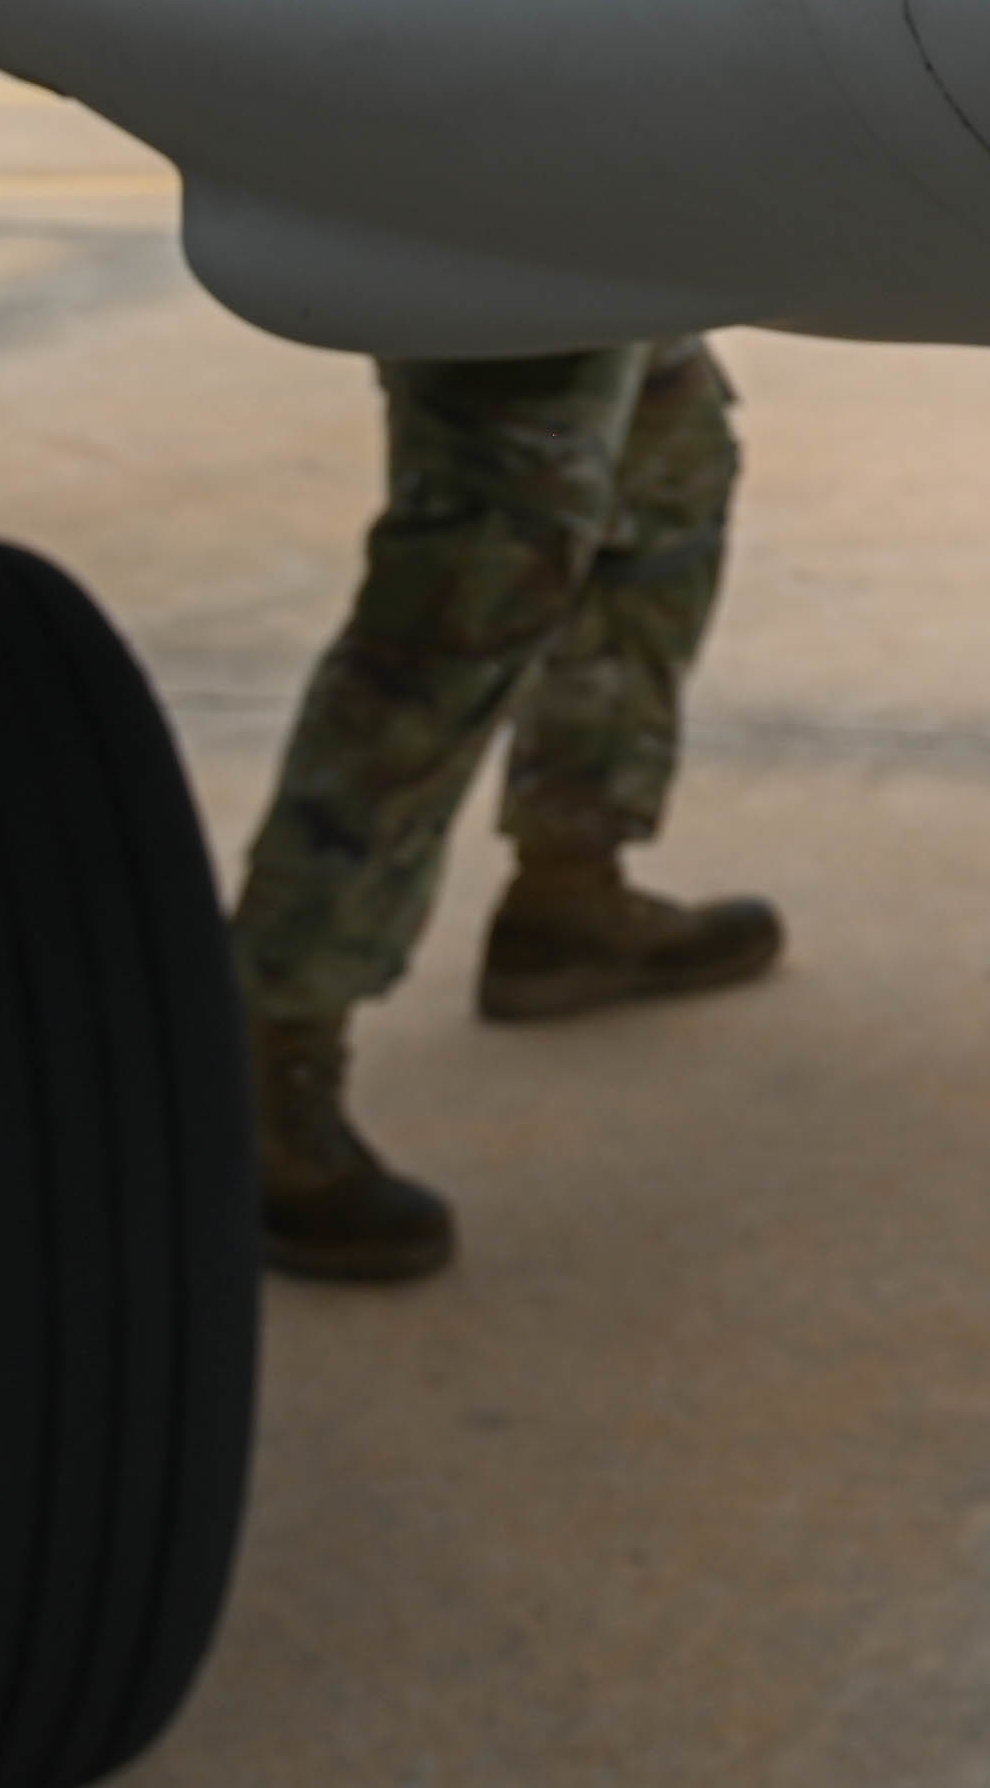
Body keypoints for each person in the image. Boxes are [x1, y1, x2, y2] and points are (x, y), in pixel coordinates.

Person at [232, 339, 785, 1282]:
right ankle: (268, 1049)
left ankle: (569, 898)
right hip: (507, 263)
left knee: (664, 474)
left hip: (623, 263)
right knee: (482, 564)